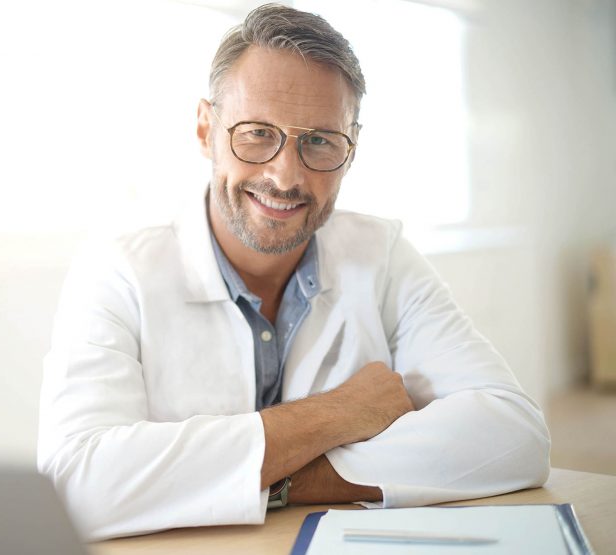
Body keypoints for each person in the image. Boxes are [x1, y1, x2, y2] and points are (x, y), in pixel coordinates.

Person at [37, 3, 550, 541]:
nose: (286, 176)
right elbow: (76, 483)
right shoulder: (118, 270)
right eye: (257, 132)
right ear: (205, 129)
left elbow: (515, 435)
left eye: (320, 141)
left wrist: (281, 479)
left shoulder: (382, 255)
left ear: (351, 150)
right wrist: (336, 414)